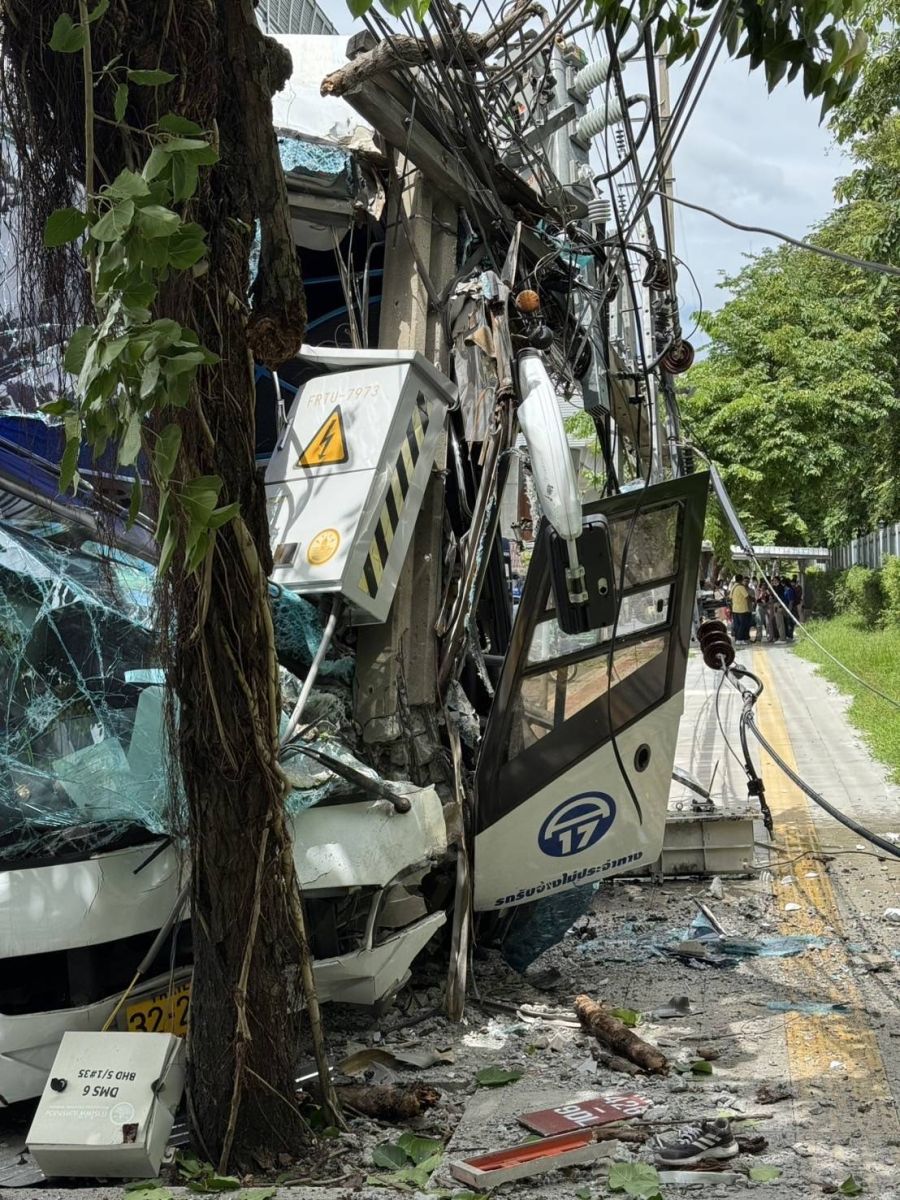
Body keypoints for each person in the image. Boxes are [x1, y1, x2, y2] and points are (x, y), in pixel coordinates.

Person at [730, 574, 752, 644]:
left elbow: (730, 597)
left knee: (737, 625)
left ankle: (737, 639)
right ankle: (740, 639)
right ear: (741, 579)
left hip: (735, 609)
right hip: (742, 609)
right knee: (742, 625)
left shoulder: (733, 587)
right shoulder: (741, 587)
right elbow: (747, 596)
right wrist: (752, 600)